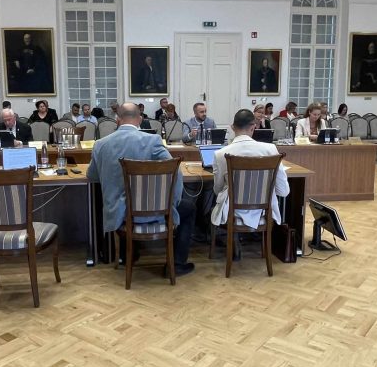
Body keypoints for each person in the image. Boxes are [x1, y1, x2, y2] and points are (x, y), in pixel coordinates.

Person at [87, 103, 195, 275]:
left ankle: (128, 254)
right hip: (153, 212)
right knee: (189, 207)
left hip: (118, 214)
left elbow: (92, 176)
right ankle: (176, 264)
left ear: (117, 120)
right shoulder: (152, 141)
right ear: (140, 119)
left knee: (123, 198)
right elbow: (175, 172)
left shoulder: (100, 144)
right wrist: (172, 204)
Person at [211, 109, 290, 234]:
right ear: (253, 127)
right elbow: (283, 191)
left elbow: (218, 190)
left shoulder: (220, 154)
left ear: (232, 127)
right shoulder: (270, 149)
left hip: (232, 211)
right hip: (263, 212)